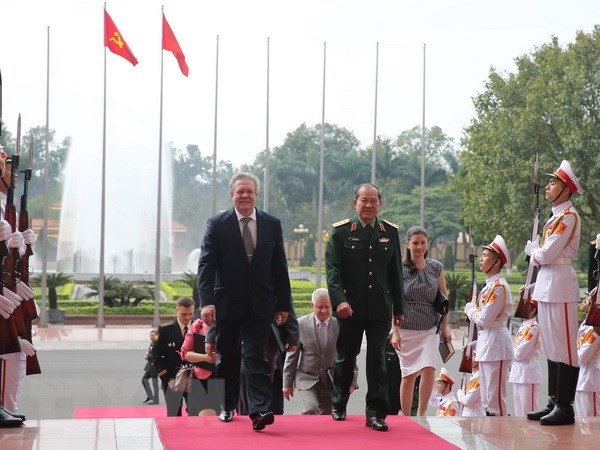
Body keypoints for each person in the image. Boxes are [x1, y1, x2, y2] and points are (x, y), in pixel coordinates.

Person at [198, 172, 292, 431]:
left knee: (257, 356)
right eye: (240, 191)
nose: (245, 195)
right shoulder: (217, 224)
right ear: (232, 194)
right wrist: (206, 302)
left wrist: (284, 304)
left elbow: (279, 266)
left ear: (256, 194)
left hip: (261, 304)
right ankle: (227, 406)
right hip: (226, 304)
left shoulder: (271, 223)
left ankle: (259, 409)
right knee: (227, 357)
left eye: (249, 191)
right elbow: (206, 266)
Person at [325, 183, 403, 432]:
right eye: (363, 200)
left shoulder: (389, 232)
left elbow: (396, 274)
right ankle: (338, 403)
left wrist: (398, 308)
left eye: (373, 201)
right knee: (345, 358)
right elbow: (333, 271)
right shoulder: (341, 232)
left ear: (380, 203)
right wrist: (339, 301)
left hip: (380, 308)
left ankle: (376, 413)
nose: (368, 205)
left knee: (377, 361)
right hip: (350, 308)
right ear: (354, 203)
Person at [524, 160, 583, 425]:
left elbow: (547, 254)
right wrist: (538, 254)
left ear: (566, 189)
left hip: (560, 284)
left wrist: (532, 252)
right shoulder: (554, 217)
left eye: (553, 183)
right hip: (547, 285)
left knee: (566, 348)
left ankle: (565, 406)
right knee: (551, 346)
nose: (547, 186)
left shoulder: (568, 216)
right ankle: (553, 401)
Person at [390, 225, 451, 416]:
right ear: (407, 244)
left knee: (429, 368)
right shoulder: (399, 268)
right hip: (406, 327)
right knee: (407, 375)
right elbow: (393, 301)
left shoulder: (436, 267)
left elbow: (444, 298)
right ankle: (407, 417)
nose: (419, 247)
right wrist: (395, 331)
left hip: (430, 328)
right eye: (415, 243)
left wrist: (445, 326)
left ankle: (421, 414)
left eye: (423, 243)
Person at [0, 151, 35, 426]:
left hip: (8, 286)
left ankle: (6, 407)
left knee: (16, 356)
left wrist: (24, 243)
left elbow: (13, 253)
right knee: (8, 354)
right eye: (8, 168)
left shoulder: (5, 204)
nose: (13, 175)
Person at [282, 288, 357, 415]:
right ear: (312, 305)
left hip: (330, 380)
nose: (324, 311)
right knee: (311, 409)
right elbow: (292, 356)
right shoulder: (300, 324)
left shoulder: (340, 325)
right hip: (306, 378)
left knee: (327, 416)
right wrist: (287, 383)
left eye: (327, 307)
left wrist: (352, 381)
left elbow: (349, 355)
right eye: (319, 307)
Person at [464, 235, 513, 416]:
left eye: (486, 255)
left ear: (497, 262)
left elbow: (484, 318)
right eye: (482, 255)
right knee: (486, 400)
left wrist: (470, 310)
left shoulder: (498, 286)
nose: (481, 259)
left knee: (495, 401)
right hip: (488, 343)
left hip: (496, 345)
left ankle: (501, 440)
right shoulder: (490, 286)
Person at [153, 296, 194, 416]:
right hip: (172, 380)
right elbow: (156, 357)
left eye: (190, 314)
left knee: (196, 415)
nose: (187, 318)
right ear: (177, 310)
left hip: (194, 380)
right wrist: (167, 380)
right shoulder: (164, 329)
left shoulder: (199, 327)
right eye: (183, 314)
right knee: (174, 415)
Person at [180, 317, 220, 416]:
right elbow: (185, 354)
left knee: (222, 420)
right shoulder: (199, 324)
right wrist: (205, 358)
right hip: (202, 378)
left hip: (227, 378)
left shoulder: (235, 322)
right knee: (207, 415)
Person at [509, 300, 542, 417]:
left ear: (533, 310)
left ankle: (531, 436)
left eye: (526, 306)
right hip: (518, 370)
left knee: (529, 411)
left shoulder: (533, 327)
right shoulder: (524, 325)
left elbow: (520, 353)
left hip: (528, 371)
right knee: (519, 413)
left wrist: (509, 351)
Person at [574, 287, 600, 417]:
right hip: (583, 378)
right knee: (583, 423)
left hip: (592, 379)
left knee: (592, 423)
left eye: (588, 299)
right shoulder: (586, 324)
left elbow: (582, 357)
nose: (584, 300)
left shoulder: (596, 328)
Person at [456, 342, 486, 417]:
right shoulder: (473, 375)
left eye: (473, 356)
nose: (469, 359)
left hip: (475, 415)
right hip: (468, 413)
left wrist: (460, 395)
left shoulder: (480, 377)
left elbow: (468, 401)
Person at [141, 330, 160, 405]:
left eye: (153, 335)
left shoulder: (157, 344)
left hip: (155, 366)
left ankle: (156, 400)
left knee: (155, 383)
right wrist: (148, 355)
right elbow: (151, 353)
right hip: (150, 366)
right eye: (150, 335)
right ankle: (150, 396)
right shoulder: (152, 344)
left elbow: (157, 356)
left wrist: (148, 356)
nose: (151, 337)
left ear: (156, 336)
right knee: (144, 380)